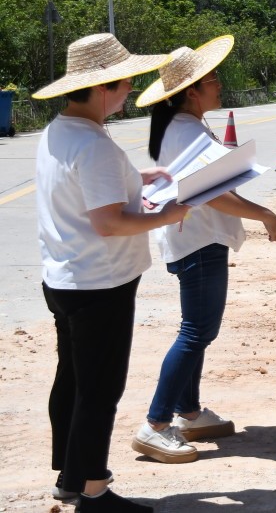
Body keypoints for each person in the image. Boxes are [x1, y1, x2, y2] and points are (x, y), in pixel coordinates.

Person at [33, 34, 191, 513]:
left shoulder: (59, 131)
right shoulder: (94, 145)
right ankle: (94, 490)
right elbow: (109, 222)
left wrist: (135, 179)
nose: (129, 92)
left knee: (73, 382)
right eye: (126, 84)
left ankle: (70, 473)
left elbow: (83, 189)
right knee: (100, 390)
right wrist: (170, 215)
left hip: (64, 278)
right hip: (100, 284)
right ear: (104, 86)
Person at [131, 37, 276, 464]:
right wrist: (266, 215)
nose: (220, 85)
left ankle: (188, 411)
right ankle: (156, 423)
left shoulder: (184, 127)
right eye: (213, 79)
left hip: (196, 241)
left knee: (197, 329)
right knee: (197, 331)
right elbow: (209, 194)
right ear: (190, 91)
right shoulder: (185, 131)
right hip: (198, 243)